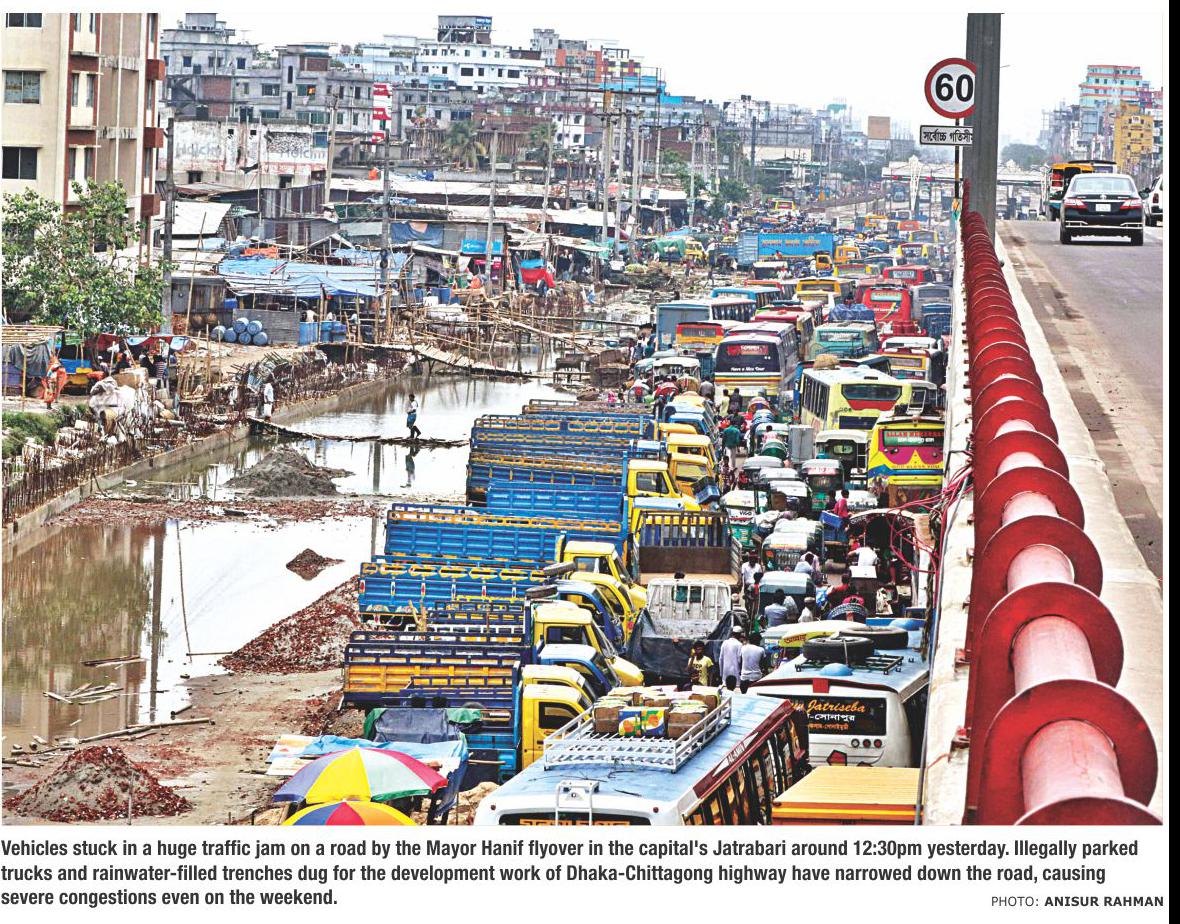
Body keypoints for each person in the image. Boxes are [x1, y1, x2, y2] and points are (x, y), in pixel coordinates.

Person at [718, 627, 744, 692]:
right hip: (736, 675)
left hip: (725, 675)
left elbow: (720, 659)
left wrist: (721, 674)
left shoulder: (725, 643)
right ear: (739, 634)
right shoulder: (739, 645)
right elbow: (739, 660)